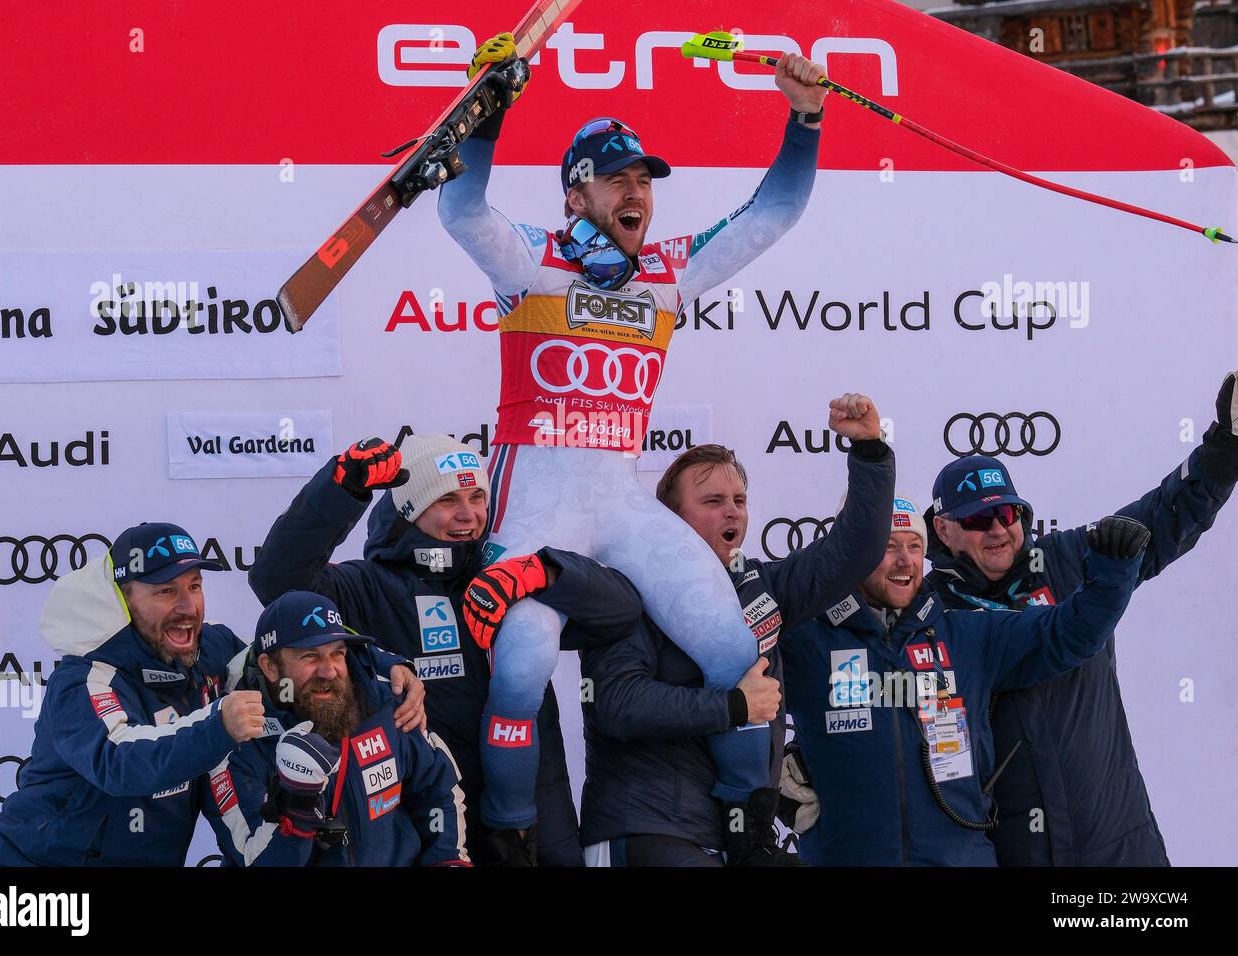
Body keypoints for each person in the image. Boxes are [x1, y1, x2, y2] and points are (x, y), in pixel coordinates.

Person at [441, 31, 829, 864]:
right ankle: (506, 832)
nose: (639, 192)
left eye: (646, 181)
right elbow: (460, 208)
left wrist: (804, 120)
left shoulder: (665, 272)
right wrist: (488, 115)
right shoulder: (534, 265)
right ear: (576, 195)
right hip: (538, 507)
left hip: (619, 503)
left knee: (731, 646)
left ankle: (744, 822)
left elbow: (773, 215)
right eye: (619, 178)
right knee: (524, 660)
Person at [249, 433, 642, 865]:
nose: (468, 514)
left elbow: (621, 612)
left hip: (536, 806)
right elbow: (276, 582)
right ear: (409, 509)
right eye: (447, 499)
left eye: (477, 497)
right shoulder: (367, 587)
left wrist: (546, 571)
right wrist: (342, 490)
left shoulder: (506, 571)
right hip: (428, 811)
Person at [923, 372, 1238, 866]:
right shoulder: (927, 616)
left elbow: (1164, 515)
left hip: (1120, 845)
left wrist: (1225, 447)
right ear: (942, 529)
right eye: (979, 520)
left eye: (1009, 513)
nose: (1000, 529)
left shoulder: (1067, 560)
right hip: (1015, 855)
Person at [576, 394, 896, 865]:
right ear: (671, 518)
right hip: (645, 829)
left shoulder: (761, 586)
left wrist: (870, 452)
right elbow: (618, 704)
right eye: (713, 501)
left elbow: (852, 553)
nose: (732, 512)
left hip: (731, 839)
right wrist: (733, 706)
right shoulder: (629, 592)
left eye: (739, 500)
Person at [780, 498, 1150, 865]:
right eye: (887, 547)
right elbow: (733, 691)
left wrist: (1112, 573)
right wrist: (770, 774)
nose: (905, 560)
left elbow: (1068, 633)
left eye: (914, 546)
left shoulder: (965, 633)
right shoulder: (807, 640)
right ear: (853, 554)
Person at [0, 522, 262, 866]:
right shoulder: (83, 678)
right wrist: (219, 727)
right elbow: (119, 763)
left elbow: (280, 669)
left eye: (195, 586)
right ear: (123, 600)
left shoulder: (214, 650)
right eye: (166, 591)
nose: (188, 607)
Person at [204, 591, 470, 866]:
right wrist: (296, 806)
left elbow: (437, 788)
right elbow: (254, 859)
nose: (328, 671)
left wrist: (446, 858)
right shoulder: (236, 740)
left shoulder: (384, 704)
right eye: (310, 656)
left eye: (337, 653)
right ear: (270, 667)